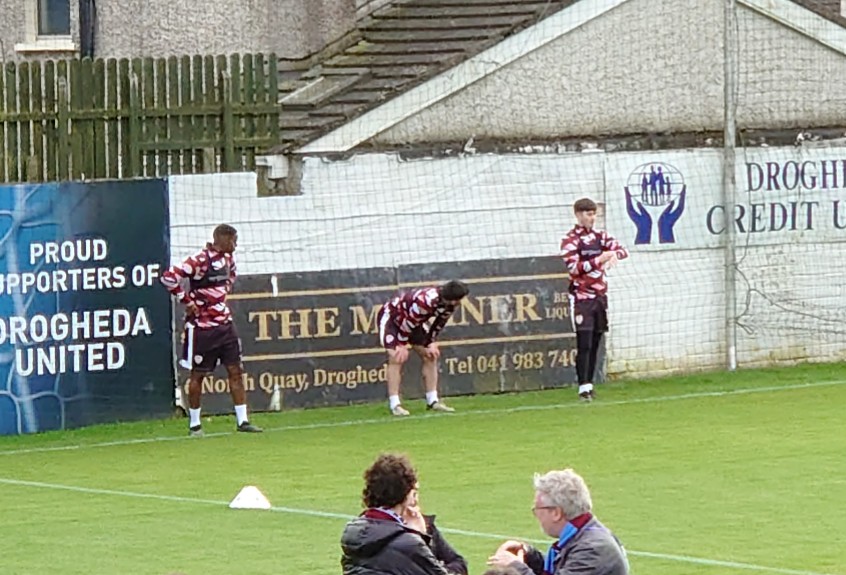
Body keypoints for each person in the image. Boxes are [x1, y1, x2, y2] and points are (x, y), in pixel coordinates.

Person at [161, 224, 262, 436]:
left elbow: (231, 276)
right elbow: (169, 276)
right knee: (198, 375)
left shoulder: (228, 260)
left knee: (236, 370)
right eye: (233, 240)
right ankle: (195, 424)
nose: (235, 245)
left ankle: (243, 420)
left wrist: (219, 296)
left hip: (225, 326)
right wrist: (186, 299)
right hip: (202, 329)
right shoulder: (199, 260)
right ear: (221, 239)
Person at [487, 468, 629, 575]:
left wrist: (515, 566)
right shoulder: (585, 535)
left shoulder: (594, 549)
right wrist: (529, 555)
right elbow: (562, 568)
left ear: (556, 513)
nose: (536, 515)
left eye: (537, 509)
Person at [560, 198, 629, 401]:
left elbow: (623, 250)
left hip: (600, 297)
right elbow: (574, 268)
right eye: (589, 214)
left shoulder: (600, 237)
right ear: (578, 215)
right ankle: (583, 387)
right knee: (584, 342)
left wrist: (614, 254)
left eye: (594, 214)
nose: (592, 218)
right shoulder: (570, 240)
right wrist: (599, 259)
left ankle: (589, 385)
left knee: (596, 341)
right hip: (582, 297)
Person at [341, 453, 452, 575]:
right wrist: (421, 536)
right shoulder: (408, 543)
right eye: (413, 492)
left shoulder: (354, 533)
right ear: (405, 493)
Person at [377, 280, 469, 416]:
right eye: (458, 299)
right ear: (452, 298)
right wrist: (401, 344)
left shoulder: (448, 305)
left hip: (413, 322)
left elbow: (438, 324)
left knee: (430, 355)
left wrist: (430, 342)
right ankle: (395, 404)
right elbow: (407, 323)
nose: (460, 302)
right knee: (397, 357)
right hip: (392, 318)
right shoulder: (426, 301)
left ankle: (433, 401)